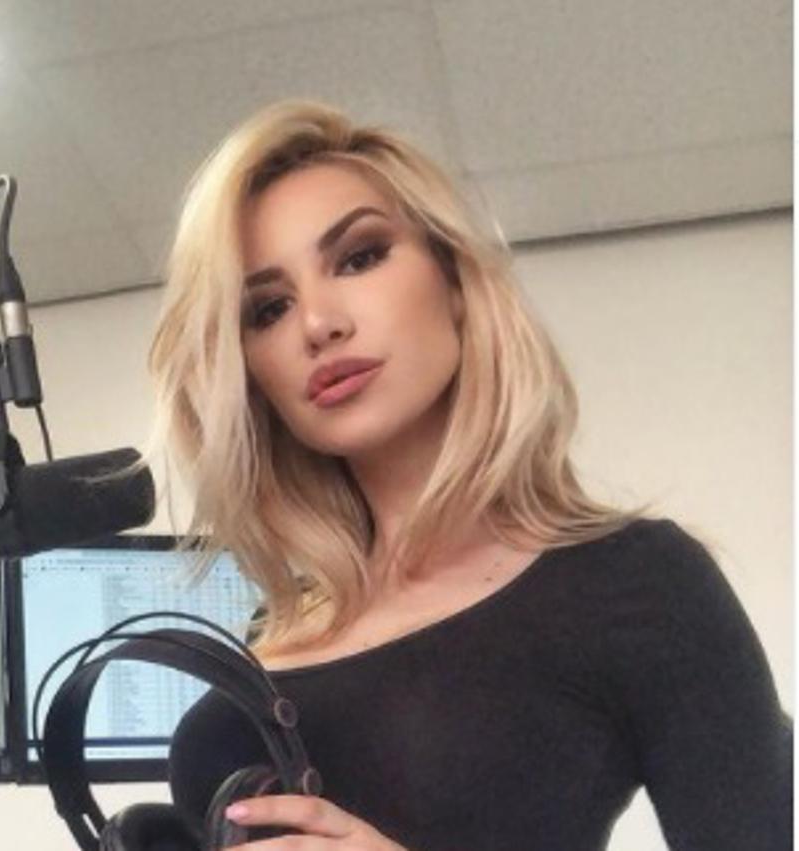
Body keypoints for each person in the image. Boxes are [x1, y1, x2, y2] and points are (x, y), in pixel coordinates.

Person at [147, 100, 792, 850]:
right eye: (268, 309)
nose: (317, 324)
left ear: (454, 280)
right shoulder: (274, 624)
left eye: (359, 258)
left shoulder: (638, 582)